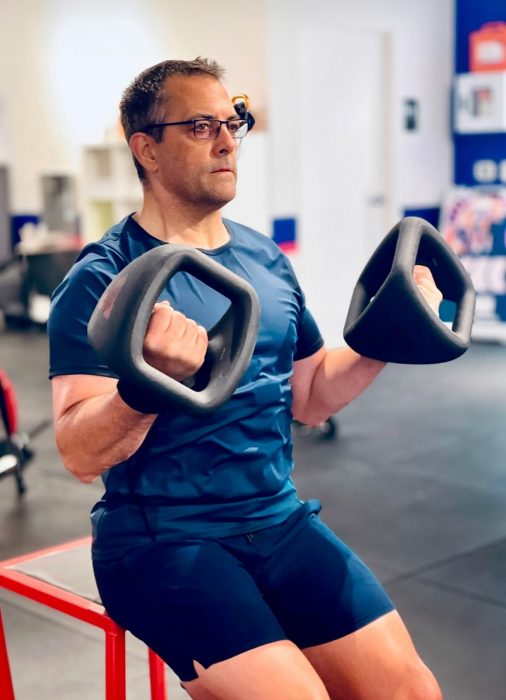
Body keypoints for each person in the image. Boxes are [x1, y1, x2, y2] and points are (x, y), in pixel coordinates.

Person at [48, 58, 443, 700]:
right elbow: (77, 450)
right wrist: (145, 388)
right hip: (161, 541)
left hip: (278, 520)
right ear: (145, 147)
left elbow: (311, 396)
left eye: (233, 122)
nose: (228, 139)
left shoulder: (265, 258)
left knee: (409, 692)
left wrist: (382, 338)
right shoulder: (104, 278)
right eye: (201, 125)